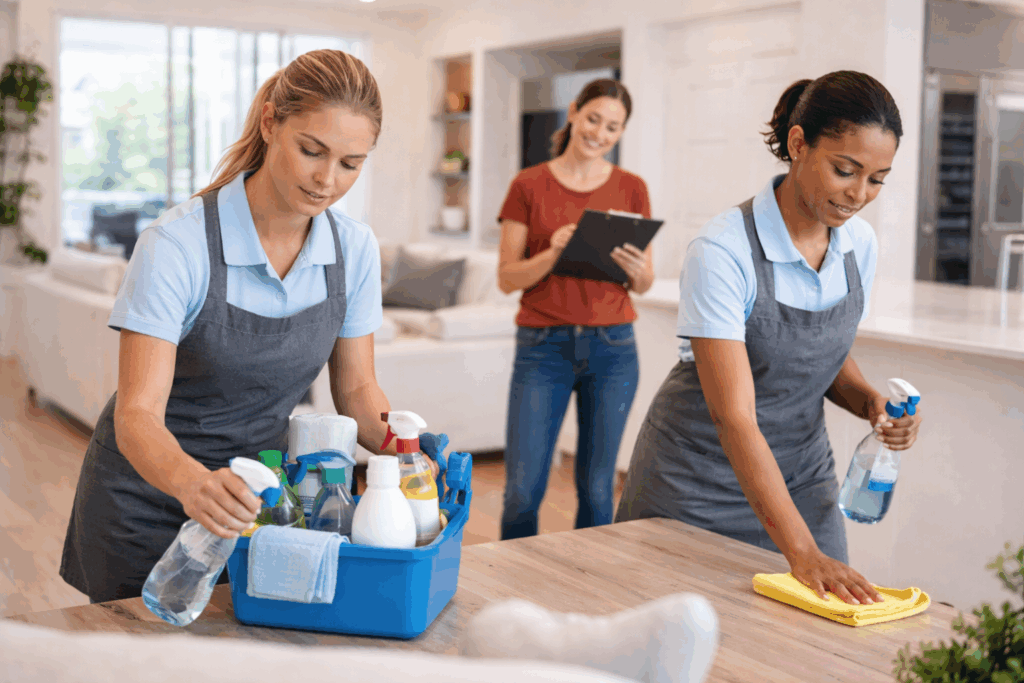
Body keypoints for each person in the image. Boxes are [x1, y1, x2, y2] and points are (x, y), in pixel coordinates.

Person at [60, 49, 434, 603]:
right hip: (145, 504)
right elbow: (137, 414)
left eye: (351, 164)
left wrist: (406, 453)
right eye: (311, 150)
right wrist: (194, 484)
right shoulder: (177, 244)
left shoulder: (353, 249)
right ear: (269, 122)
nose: (327, 180)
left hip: (263, 503)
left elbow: (357, 389)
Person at [616, 71, 924, 605]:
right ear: (799, 144)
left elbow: (819, 350)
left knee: (827, 627)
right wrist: (801, 552)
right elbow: (733, 417)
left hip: (802, 477)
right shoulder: (723, 250)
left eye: (877, 179)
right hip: (694, 484)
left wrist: (868, 401)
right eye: (845, 170)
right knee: (677, 636)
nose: (859, 194)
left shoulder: (859, 244)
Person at [497, 78, 654, 540]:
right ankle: (513, 580)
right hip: (542, 347)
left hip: (614, 348)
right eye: (593, 119)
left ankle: (588, 580)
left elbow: (644, 282)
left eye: (612, 127)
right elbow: (507, 277)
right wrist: (553, 254)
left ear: (621, 133)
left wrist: (636, 269)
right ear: (573, 113)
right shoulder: (528, 184)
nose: (599, 133)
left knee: (598, 489)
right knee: (523, 490)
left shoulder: (632, 188)